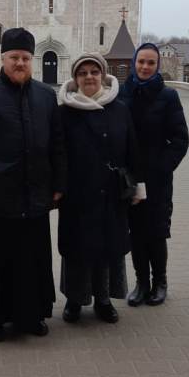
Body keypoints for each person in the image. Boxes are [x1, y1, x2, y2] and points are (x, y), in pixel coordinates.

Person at [0, 28, 66, 342]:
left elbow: (58, 144)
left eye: (25, 58)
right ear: (3, 58)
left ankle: (30, 317)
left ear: (32, 60)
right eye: (14, 57)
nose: (20, 63)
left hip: (35, 194)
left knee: (32, 259)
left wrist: (59, 182)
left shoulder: (46, 96)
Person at [57, 52, 140, 324]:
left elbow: (131, 149)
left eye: (94, 72)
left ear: (103, 75)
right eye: (83, 73)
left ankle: (104, 299)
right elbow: (57, 153)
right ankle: (74, 299)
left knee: (108, 247)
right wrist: (58, 187)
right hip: (77, 194)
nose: (89, 77)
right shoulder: (65, 111)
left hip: (111, 192)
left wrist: (137, 187)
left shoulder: (120, 108)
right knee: (77, 248)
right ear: (75, 78)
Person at [119, 42, 189, 307]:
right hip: (131, 178)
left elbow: (180, 139)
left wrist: (163, 167)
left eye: (150, 62)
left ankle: (160, 282)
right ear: (134, 63)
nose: (145, 67)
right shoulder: (122, 94)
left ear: (157, 65)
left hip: (157, 179)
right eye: (141, 62)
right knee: (136, 232)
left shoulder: (168, 96)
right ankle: (141, 284)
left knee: (157, 232)